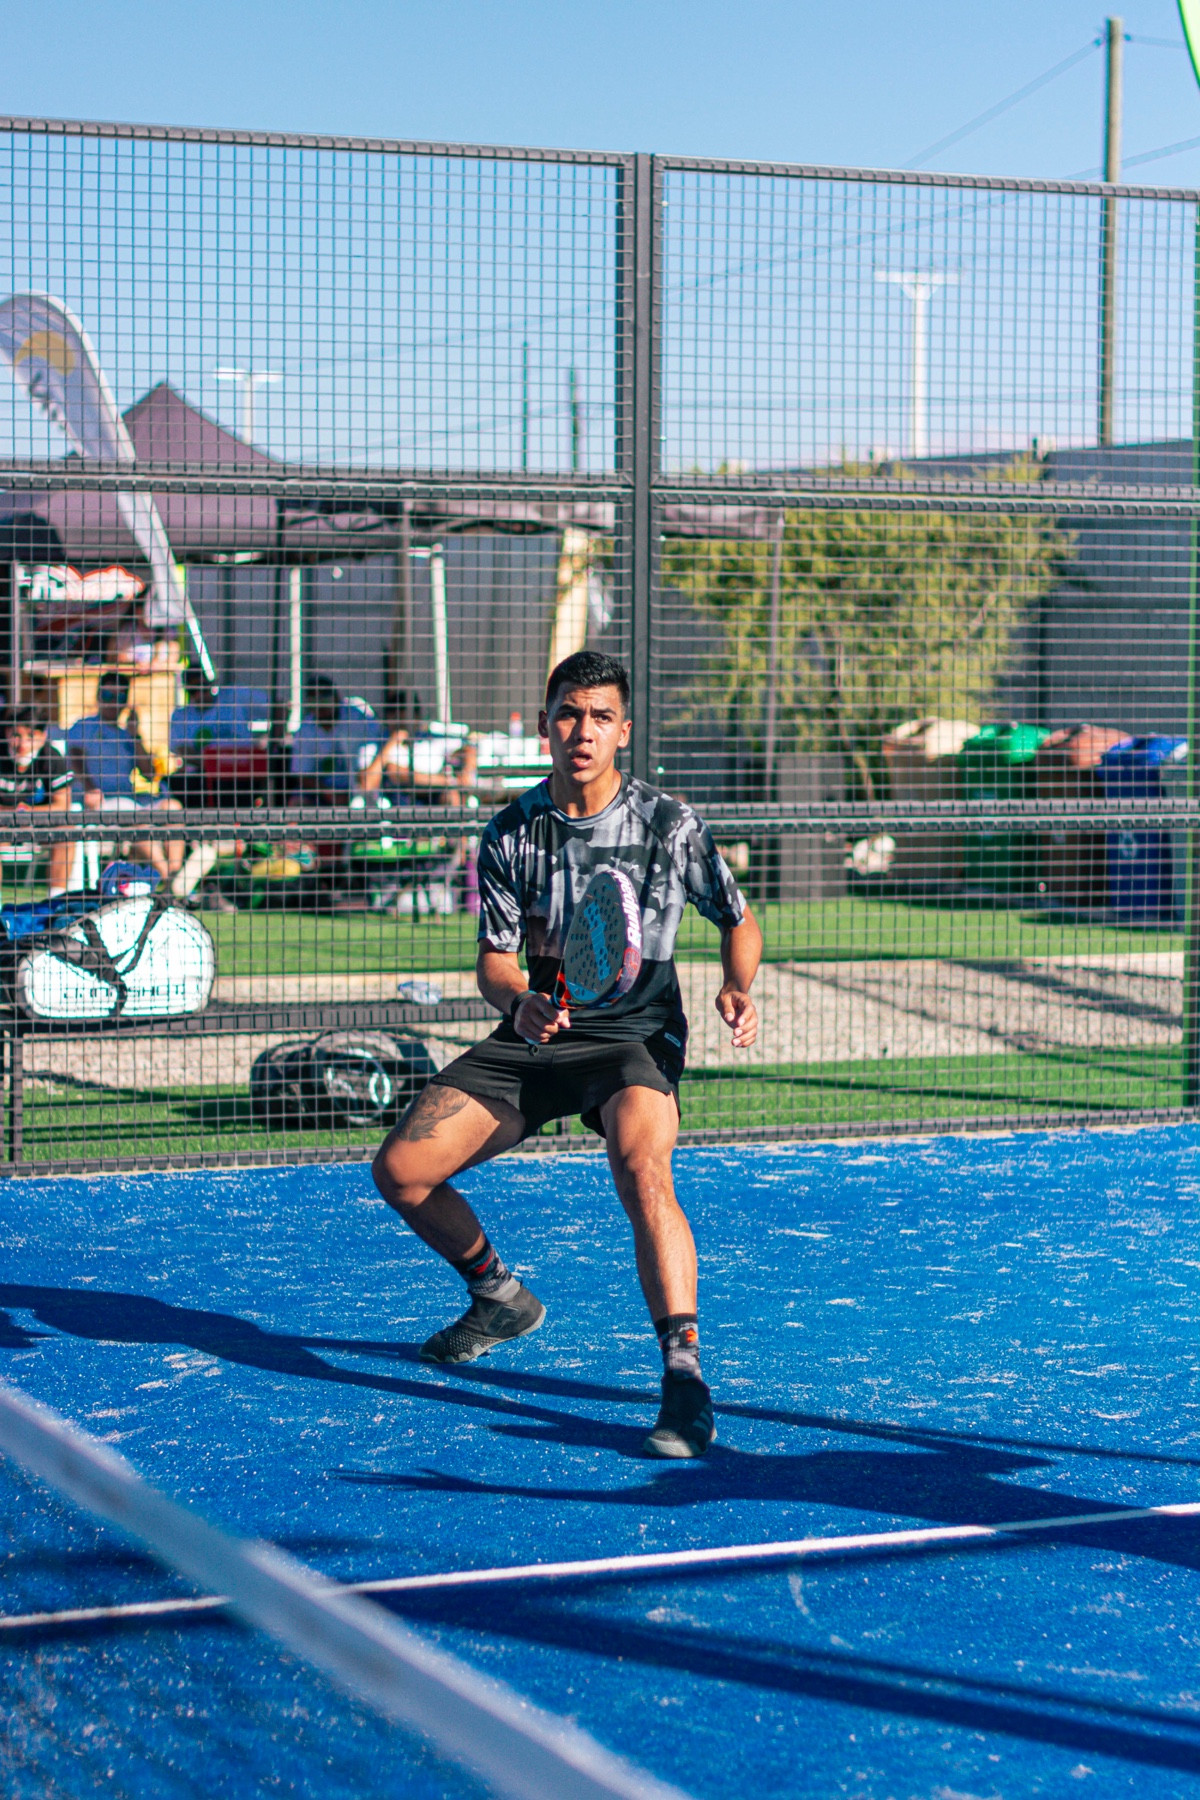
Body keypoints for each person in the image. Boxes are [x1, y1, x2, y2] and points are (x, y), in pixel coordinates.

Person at [371, 649, 762, 1460]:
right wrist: (518, 1000)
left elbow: (737, 919)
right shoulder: (511, 831)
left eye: (600, 717)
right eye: (569, 714)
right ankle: (499, 1297)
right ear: (547, 724)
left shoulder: (668, 825)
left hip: (634, 1037)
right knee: (401, 1171)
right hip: (539, 1029)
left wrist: (736, 984)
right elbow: (495, 961)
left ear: (624, 730)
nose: (583, 731)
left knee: (643, 1170)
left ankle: (685, 1378)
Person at [66, 671, 185, 884]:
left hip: (128, 799)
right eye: (108, 695)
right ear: (98, 697)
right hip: (98, 802)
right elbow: (75, 760)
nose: (114, 702)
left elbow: (149, 774)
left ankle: (175, 872)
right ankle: (171, 881)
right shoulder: (84, 726)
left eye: (120, 697)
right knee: (136, 820)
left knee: (173, 808)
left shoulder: (126, 734)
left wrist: (135, 734)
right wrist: (90, 788)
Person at [0, 704, 74, 894]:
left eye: (31, 736)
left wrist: (28, 813)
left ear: (42, 737)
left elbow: (63, 805)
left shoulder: (51, 757)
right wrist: (14, 814)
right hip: (3, 824)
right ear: (7, 733)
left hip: (40, 825)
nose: (22, 744)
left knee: (66, 833)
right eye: (16, 735)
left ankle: (56, 902)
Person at [289, 674, 381, 802]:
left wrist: (352, 794)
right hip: (322, 792)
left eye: (324, 699)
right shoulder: (305, 730)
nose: (320, 706)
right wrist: (331, 795)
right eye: (314, 701)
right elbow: (302, 774)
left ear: (336, 698)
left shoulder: (358, 718)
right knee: (297, 802)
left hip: (359, 788)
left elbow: (368, 770)